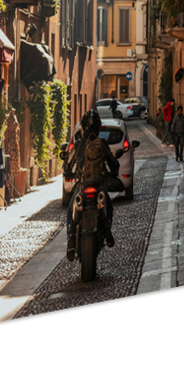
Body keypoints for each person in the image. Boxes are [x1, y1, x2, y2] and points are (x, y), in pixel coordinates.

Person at [65, 110, 120, 262]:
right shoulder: (101, 144)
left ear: (82, 128)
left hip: (82, 186)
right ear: (98, 128)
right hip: (99, 185)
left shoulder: (77, 146)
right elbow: (112, 163)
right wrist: (114, 172)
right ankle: (107, 231)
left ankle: (70, 238)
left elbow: (67, 166)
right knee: (108, 204)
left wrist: (68, 173)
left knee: (71, 209)